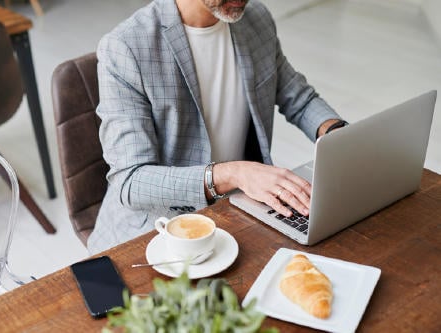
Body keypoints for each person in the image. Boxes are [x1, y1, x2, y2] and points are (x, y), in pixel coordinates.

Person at [88, 0, 347, 254]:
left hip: (237, 209)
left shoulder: (256, 19)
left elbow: (300, 99)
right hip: (157, 230)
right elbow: (131, 181)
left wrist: (341, 139)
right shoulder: (125, 47)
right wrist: (234, 174)